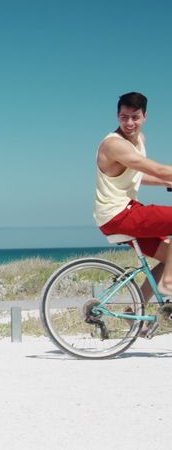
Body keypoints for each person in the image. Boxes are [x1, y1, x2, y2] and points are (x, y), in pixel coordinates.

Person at [95, 92, 172, 305]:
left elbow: (138, 175)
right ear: (117, 116)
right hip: (120, 214)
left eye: (135, 117)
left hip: (125, 212)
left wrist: (166, 183)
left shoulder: (139, 140)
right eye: (124, 117)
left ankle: (133, 315)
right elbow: (158, 169)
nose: (129, 123)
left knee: (170, 258)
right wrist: (165, 177)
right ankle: (169, 285)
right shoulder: (114, 145)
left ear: (145, 116)